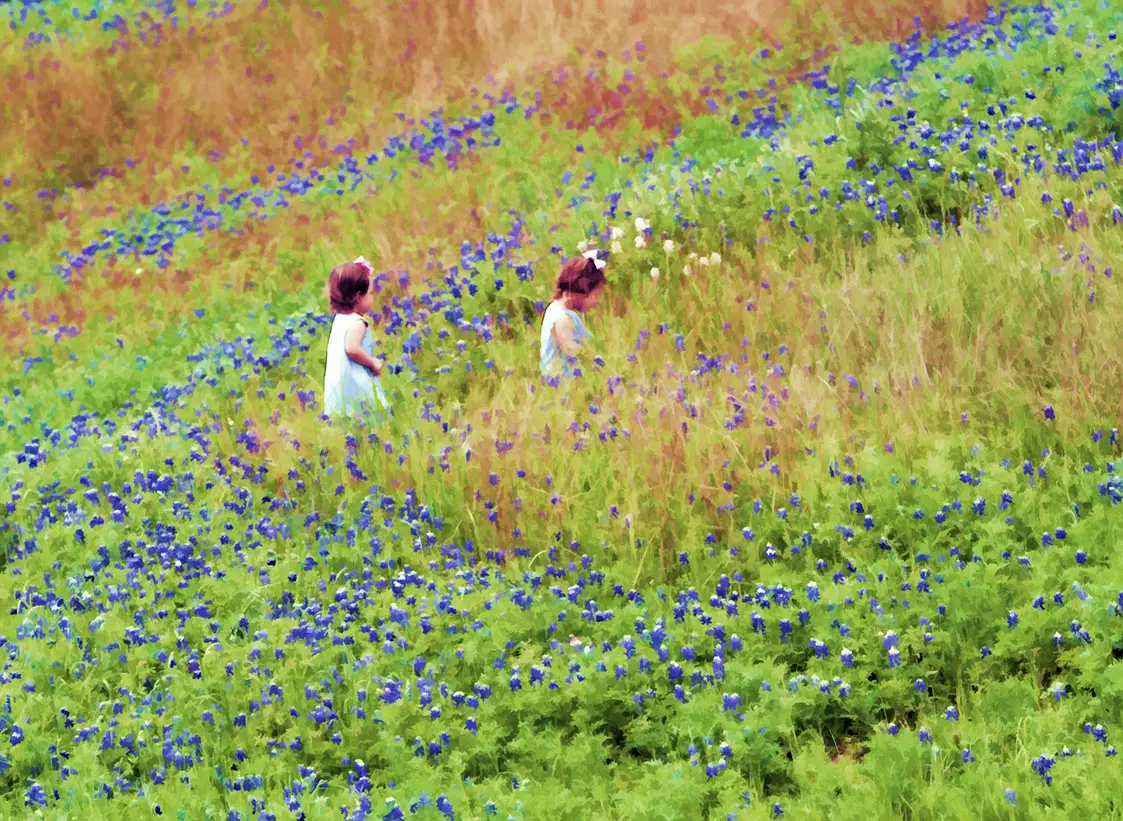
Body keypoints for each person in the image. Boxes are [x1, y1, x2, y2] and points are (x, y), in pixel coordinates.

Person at [323, 257, 390, 420]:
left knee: (344, 420)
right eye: (370, 294)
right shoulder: (358, 322)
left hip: (337, 381)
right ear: (358, 297)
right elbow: (352, 348)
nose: (372, 298)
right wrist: (372, 362)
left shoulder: (339, 319)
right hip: (354, 381)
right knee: (370, 417)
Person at [540, 250, 606, 379]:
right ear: (582, 290)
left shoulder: (558, 309)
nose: (597, 301)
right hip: (561, 382)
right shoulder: (563, 318)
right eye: (595, 295)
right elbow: (571, 350)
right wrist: (596, 360)